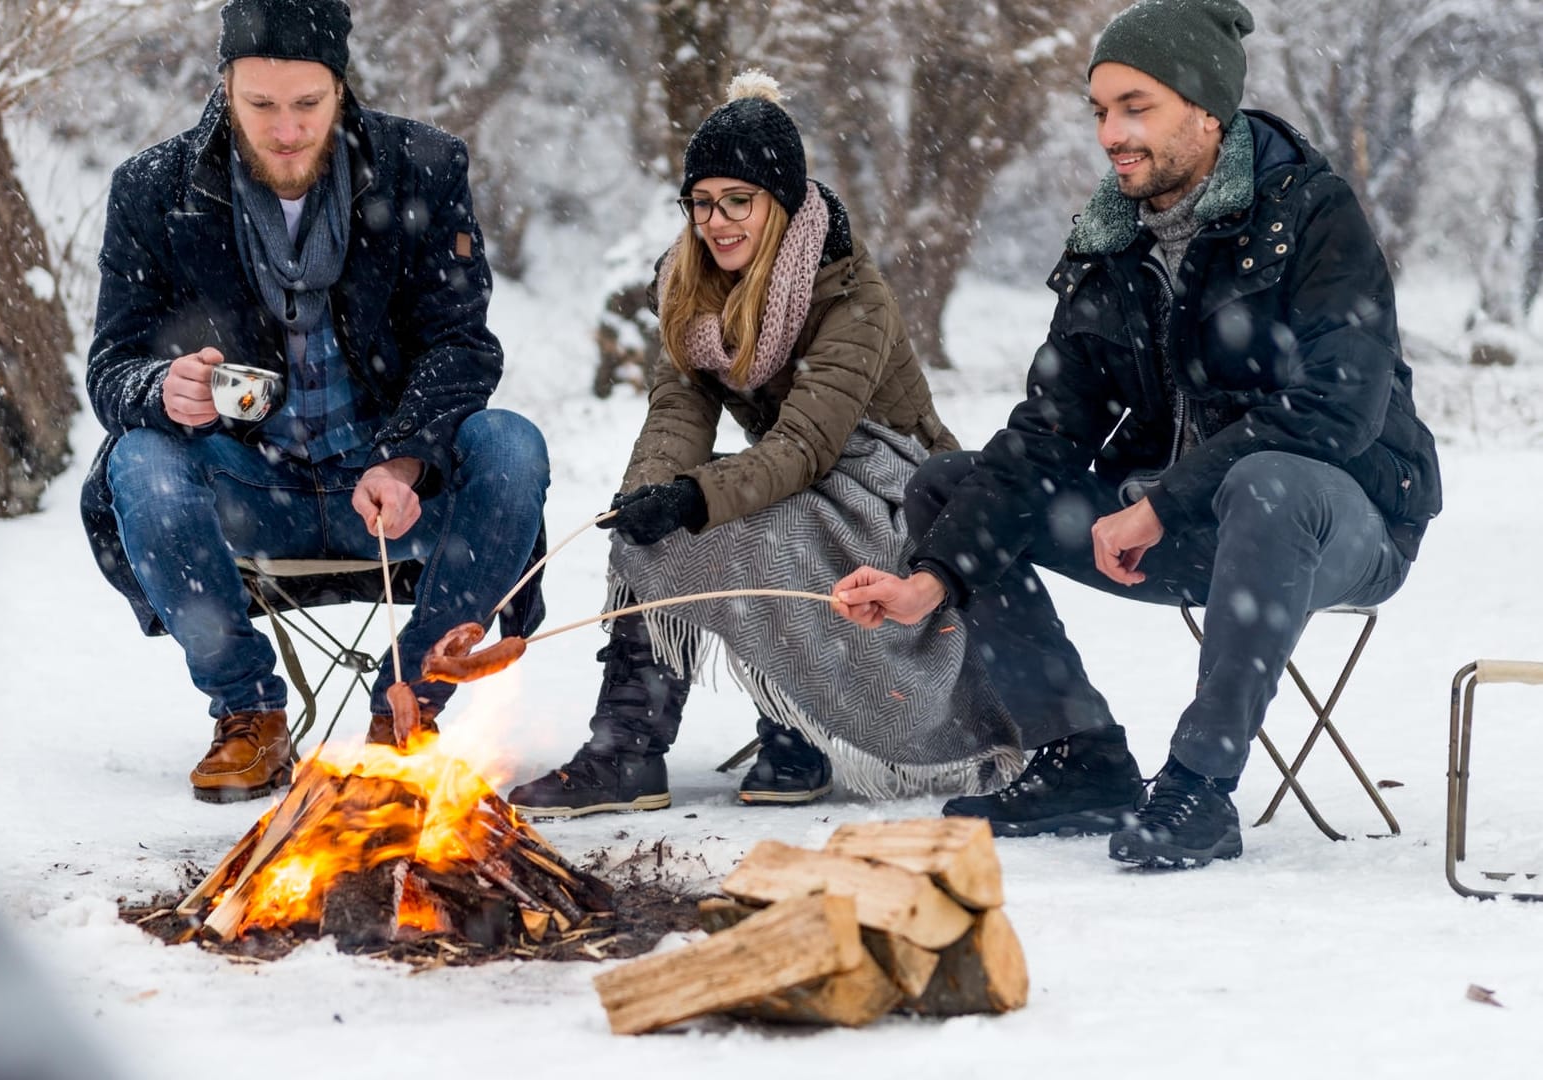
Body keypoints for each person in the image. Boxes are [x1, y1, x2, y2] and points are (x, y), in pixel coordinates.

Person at [834, 0, 1441, 869]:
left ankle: (1199, 786)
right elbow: (1047, 434)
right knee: (946, 486)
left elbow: (1339, 410)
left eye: (1136, 106)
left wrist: (1163, 502)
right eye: (1099, 110)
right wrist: (933, 579)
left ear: (1206, 111)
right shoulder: (1110, 243)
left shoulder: (1312, 214)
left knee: (1269, 479)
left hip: (1335, 522)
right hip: (1178, 530)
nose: (1111, 132)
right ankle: (1080, 755)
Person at [508, 72, 1017, 818]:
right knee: (661, 534)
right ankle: (627, 748)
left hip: (894, 481)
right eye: (702, 202)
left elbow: (810, 443)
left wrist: (698, 495)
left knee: (766, 525)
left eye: (737, 200)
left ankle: (800, 730)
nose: (717, 221)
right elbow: (676, 412)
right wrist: (651, 491)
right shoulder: (692, 287)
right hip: (795, 468)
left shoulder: (851, 295)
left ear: (778, 203)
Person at [81, 0, 548, 803]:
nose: (285, 129)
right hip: (250, 488)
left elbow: (461, 344)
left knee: (512, 446)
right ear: (225, 88)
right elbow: (111, 368)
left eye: (307, 104)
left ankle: (412, 702)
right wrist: (163, 389)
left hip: (395, 491)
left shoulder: (422, 165)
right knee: (140, 459)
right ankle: (248, 713)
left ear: (341, 88)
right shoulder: (154, 190)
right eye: (260, 105)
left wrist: (403, 462)